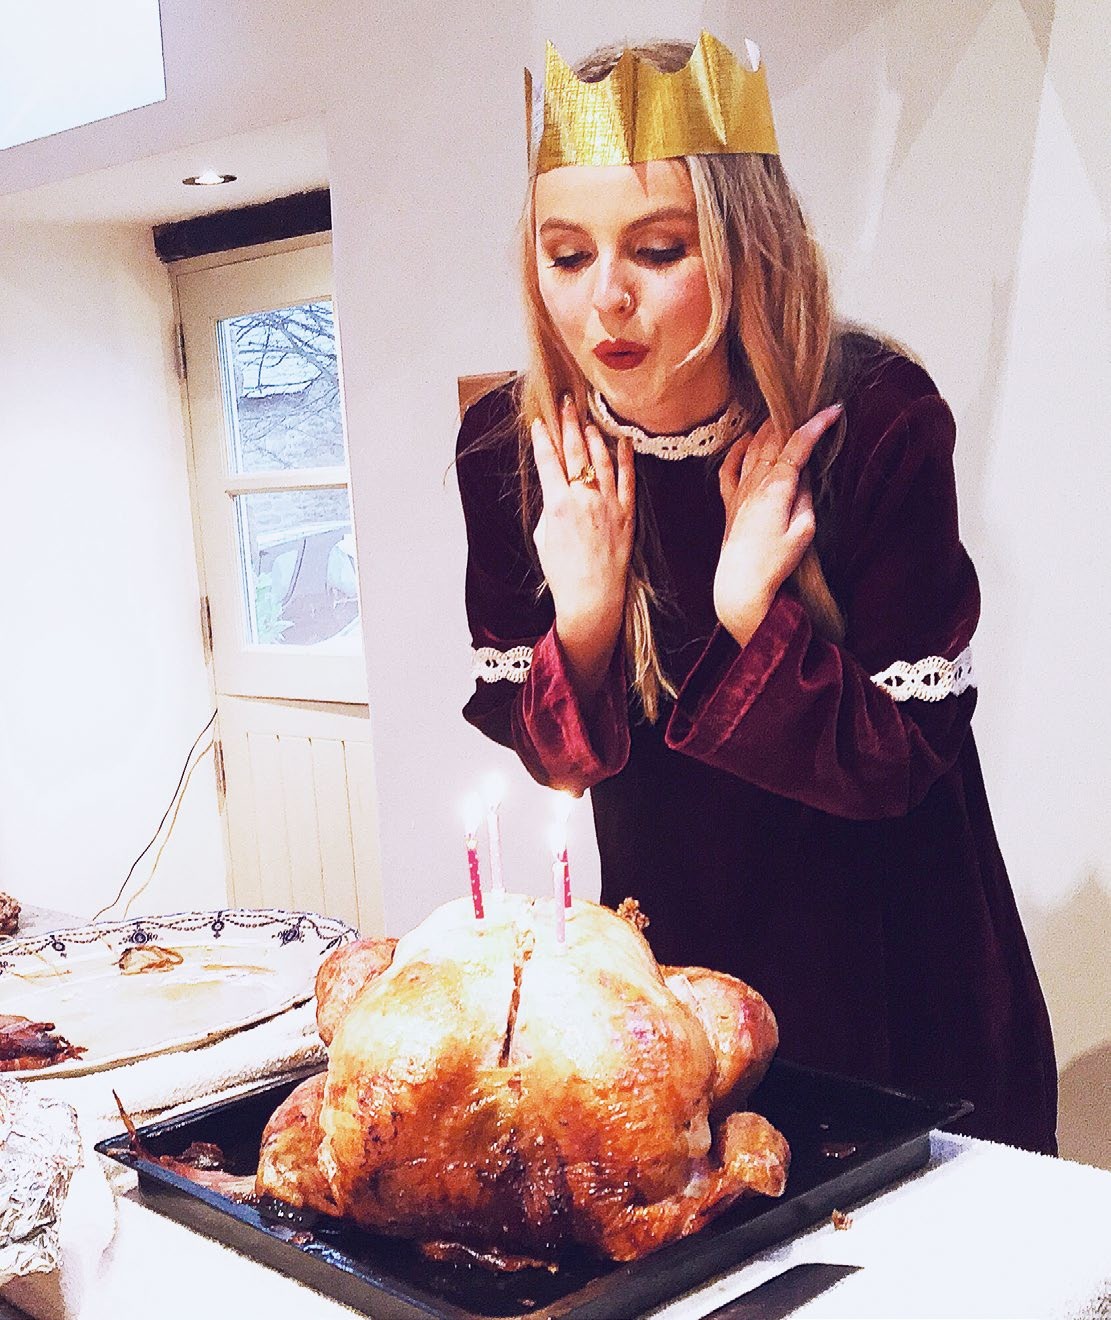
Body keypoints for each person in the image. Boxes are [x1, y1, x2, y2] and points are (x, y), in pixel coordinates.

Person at [456, 32, 1057, 1154]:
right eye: (568, 254)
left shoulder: (874, 420)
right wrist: (584, 621)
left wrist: (751, 615)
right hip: (683, 953)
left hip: (890, 951)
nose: (608, 305)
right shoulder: (514, 445)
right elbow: (552, 759)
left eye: (659, 248)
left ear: (745, 243)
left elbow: (896, 766)